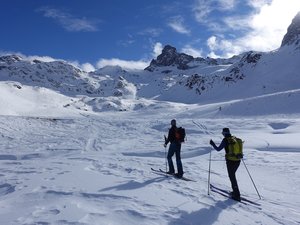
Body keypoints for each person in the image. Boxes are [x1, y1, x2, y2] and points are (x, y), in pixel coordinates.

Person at [209, 128, 241, 201]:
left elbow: (218, 149)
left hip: (230, 161)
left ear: (224, 133)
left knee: (232, 177)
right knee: (233, 176)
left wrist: (212, 144)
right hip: (238, 160)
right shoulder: (235, 139)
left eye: (222, 133)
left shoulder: (225, 140)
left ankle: (237, 195)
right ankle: (235, 192)